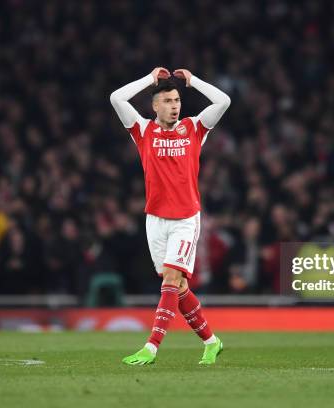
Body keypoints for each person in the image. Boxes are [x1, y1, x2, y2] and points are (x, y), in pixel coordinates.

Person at [110, 67, 230, 365]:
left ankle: (151, 347)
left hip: (186, 219)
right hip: (155, 219)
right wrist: (150, 80)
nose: (174, 105)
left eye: (177, 100)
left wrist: (194, 81)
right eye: (167, 101)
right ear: (155, 106)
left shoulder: (194, 128)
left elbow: (223, 101)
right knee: (177, 287)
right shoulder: (143, 130)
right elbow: (116, 98)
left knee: (171, 280)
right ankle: (212, 342)